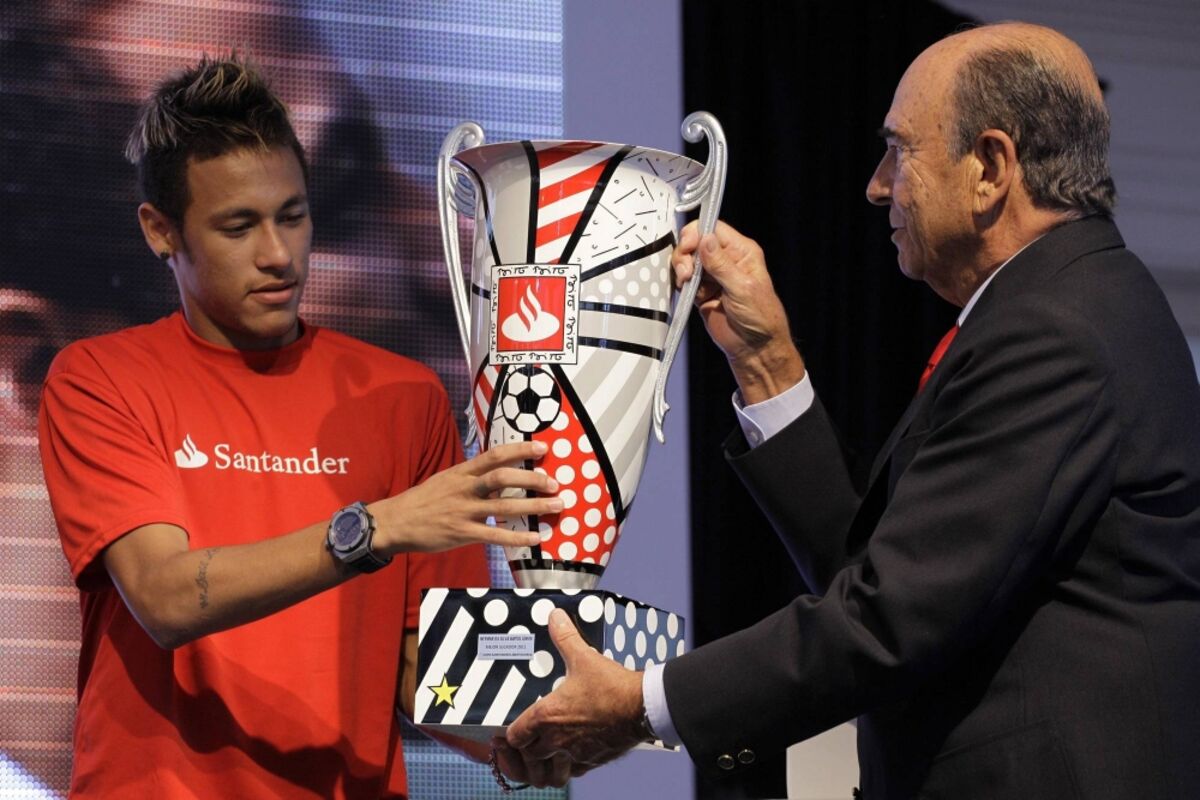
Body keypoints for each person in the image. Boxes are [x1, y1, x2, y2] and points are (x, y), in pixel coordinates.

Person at [498, 21, 1200, 798]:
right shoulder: (1062, 307)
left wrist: (643, 703)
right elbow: (885, 575)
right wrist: (766, 363)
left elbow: (890, 616)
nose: (876, 185)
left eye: (900, 149)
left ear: (990, 168)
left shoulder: (1057, 332)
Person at [37, 55, 562, 799]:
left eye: (293, 216)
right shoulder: (101, 379)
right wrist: (375, 528)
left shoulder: (403, 395)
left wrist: (538, 732)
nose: (279, 255)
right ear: (161, 231)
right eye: (238, 227)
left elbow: (423, 670)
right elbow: (164, 597)